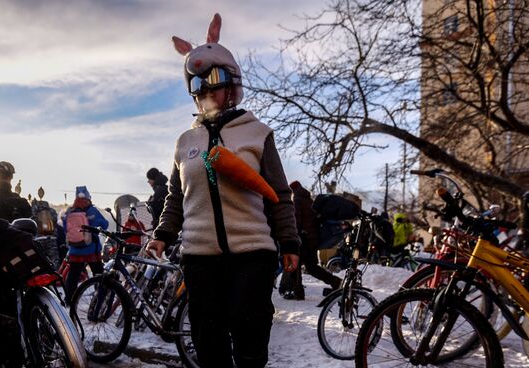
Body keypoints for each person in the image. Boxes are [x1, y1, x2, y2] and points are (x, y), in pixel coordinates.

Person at [146, 14, 300, 368]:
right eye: (196, 84)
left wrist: (289, 242)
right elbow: (175, 198)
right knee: (209, 345)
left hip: (252, 255)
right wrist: (163, 235)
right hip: (200, 259)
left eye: (212, 79)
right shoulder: (185, 141)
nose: (204, 90)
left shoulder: (257, 133)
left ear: (232, 84)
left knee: (250, 344)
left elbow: (279, 193)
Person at [279, 181, 341, 300]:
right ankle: (336, 282)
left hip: (304, 239)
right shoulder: (309, 200)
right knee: (312, 267)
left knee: (296, 266)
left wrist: (293, 234)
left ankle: (298, 292)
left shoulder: (297, 200)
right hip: (313, 239)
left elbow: (296, 220)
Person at [61, 186, 109, 302]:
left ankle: (69, 299)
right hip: (91, 248)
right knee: (98, 275)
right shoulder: (92, 210)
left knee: (73, 276)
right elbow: (104, 224)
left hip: (75, 249)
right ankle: (100, 298)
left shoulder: (69, 211)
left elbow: (65, 228)